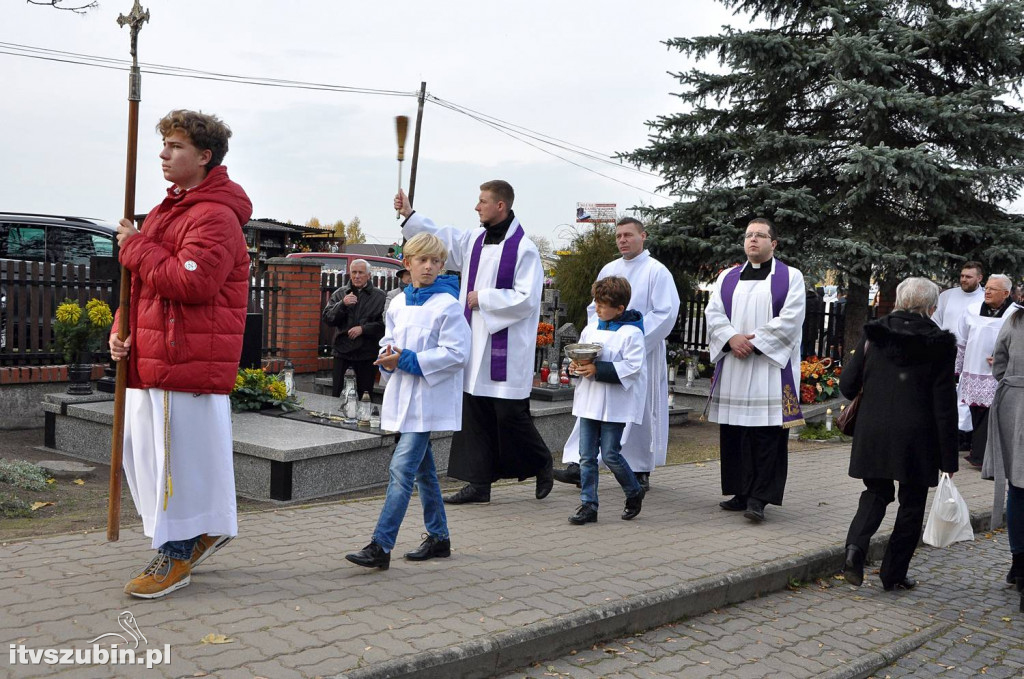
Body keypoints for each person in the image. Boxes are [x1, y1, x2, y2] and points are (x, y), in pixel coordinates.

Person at [108, 109, 252, 598]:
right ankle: (196, 533)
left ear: (204, 156)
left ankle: (178, 550)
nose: (164, 154)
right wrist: (121, 329)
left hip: (188, 358)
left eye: (175, 147)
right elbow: (144, 289)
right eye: (164, 145)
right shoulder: (171, 209)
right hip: (157, 355)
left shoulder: (215, 215)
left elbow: (192, 281)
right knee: (150, 459)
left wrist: (136, 246)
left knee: (176, 465)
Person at [394, 181, 554, 504]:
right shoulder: (474, 241)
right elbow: (440, 236)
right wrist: (410, 214)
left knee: (509, 415)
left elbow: (527, 298)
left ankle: (542, 461)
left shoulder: (524, 249)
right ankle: (478, 484)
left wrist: (484, 298)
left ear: (501, 207)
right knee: (475, 414)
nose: (476, 207)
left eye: (482, 201)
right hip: (474, 341)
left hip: (505, 346)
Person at [345, 233, 471, 570]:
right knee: (424, 473)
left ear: (442, 265)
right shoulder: (398, 302)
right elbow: (389, 339)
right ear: (408, 263)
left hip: (428, 399)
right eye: (421, 260)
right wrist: (387, 356)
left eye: (435, 261)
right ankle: (439, 538)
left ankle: (381, 545)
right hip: (403, 394)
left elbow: (457, 354)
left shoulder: (448, 304)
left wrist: (408, 361)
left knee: (401, 471)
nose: (428, 266)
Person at [840, 278, 959, 591]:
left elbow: (847, 385)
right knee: (912, 503)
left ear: (899, 300)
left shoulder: (874, 333)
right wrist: (949, 457)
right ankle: (892, 574)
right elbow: (944, 404)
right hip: (918, 436)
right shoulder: (939, 342)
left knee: (876, 491)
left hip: (874, 429)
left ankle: (855, 548)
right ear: (931, 307)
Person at [555, 217, 680, 491]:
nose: (622, 240)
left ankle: (639, 468)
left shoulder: (656, 271)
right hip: (604, 350)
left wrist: (630, 342)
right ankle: (580, 464)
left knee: (639, 410)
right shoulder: (609, 269)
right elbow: (594, 309)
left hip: (639, 352)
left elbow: (666, 312)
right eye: (619, 236)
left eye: (628, 235)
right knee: (592, 404)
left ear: (643, 236)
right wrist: (594, 344)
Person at [703, 218, 806, 523]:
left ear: (773, 244)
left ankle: (760, 498)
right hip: (735, 366)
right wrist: (730, 338)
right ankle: (740, 492)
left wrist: (754, 342)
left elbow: (791, 318)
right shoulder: (727, 277)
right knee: (735, 432)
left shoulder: (790, 277)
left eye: (760, 236)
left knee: (766, 434)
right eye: (749, 235)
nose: (753, 240)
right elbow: (713, 313)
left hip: (769, 369)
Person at [566, 276, 647, 525]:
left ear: (620, 308)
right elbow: (580, 355)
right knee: (586, 456)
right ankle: (589, 505)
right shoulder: (591, 329)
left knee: (610, 454)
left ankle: (634, 490)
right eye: (597, 303)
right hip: (590, 401)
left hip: (614, 403)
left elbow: (633, 367)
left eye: (603, 304)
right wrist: (574, 367)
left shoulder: (632, 333)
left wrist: (598, 370)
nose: (598, 308)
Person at [983, 304, 1024, 610]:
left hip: (1015, 404)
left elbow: (999, 363)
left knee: (1019, 485)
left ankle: (1018, 562)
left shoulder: (1015, 320)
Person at [957, 274, 1016, 468]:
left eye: (993, 289)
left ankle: (984, 457)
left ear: (1006, 293)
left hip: (999, 373)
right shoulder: (972, 310)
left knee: (993, 415)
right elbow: (962, 340)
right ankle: (978, 453)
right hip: (973, 370)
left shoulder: (1015, 313)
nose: (987, 291)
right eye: (987, 288)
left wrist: (1005, 356)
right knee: (976, 413)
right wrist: (958, 368)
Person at [932, 261, 985, 453]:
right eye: (962, 276)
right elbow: (935, 320)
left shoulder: (984, 298)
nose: (963, 279)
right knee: (946, 394)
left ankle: (965, 435)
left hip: (972, 354)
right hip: (945, 351)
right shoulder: (947, 296)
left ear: (979, 278)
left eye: (968, 276)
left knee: (965, 395)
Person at [323, 259, 386, 399]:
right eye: (354, 272)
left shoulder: (380, 296)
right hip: (342, 351)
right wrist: (342, 305)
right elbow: (328, 319)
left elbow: (384, 325)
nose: (357, 276)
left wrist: (363, 329)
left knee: (365, 394)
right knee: (337, 393)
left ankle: (364, 420)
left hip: (366, 352)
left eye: (361, 273)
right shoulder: (340, 294)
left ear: (369, 275)